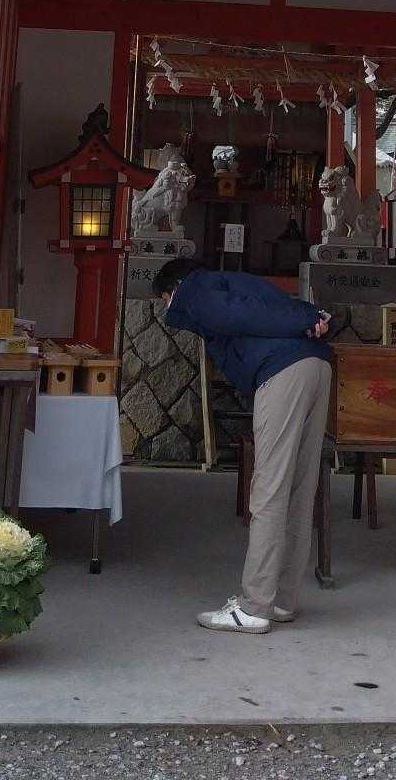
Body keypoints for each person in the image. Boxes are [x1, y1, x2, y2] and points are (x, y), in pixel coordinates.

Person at [152, 260, 331, 634]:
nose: (168, 307)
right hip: (316, 367)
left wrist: (304, 320)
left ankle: (254, 606)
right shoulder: (240, 281)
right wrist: (310, 317)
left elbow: (243, 317)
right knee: (300, 489)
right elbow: (273, 309)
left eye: (165, 298)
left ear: (174, 287)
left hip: (281, 372)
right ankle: (282, 599)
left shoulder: (196, 290)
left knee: (269, 488)